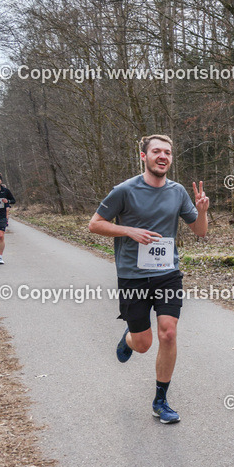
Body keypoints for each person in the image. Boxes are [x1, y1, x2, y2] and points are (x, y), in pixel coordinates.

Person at [88, 134, 209, 424]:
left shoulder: (178, 191)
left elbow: (200, 231)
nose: (162, 156)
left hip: (167, 274)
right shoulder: (125, 190)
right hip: (133, 276)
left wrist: (203, 212)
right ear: (144, 156)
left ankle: (160, 400)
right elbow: (95, 225)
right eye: (156, 151)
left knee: (168, 332)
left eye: (167, 152)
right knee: (144, 343)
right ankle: (129, 339)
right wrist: (128, 230)